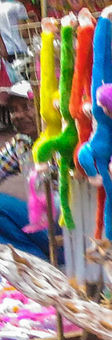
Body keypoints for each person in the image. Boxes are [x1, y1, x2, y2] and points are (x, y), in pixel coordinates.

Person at [0, 80, 52, 259]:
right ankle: (36, 259)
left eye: (26, 107)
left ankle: (39, 259)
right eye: (14, 110)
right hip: (38, 221)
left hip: (64, 222)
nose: (19, 115)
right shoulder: (22, 142)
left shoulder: (58, 139)